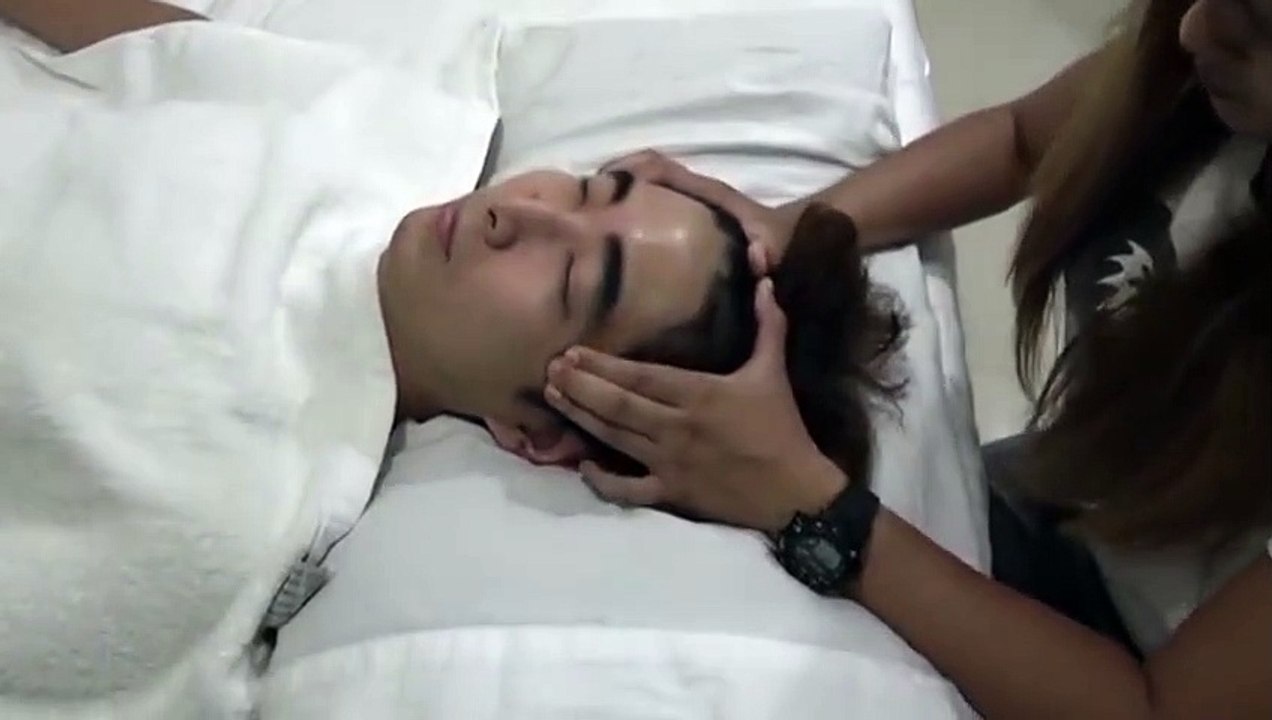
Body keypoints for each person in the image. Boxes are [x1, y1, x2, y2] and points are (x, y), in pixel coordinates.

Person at [544, 0, 1272, 717]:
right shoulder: (1196, 52)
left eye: (1261, 28)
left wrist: (813, 506)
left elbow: (1152, 707)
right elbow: (1019, 140)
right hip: (1077, 495)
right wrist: (798, 224)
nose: (1194, 27)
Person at [0, 1, 906, 516]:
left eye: (571, 280)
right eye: (585, 188)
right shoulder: (391, 137)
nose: (519, 210)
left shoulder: (231, 493)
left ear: (541, 433)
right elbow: (166, 52)